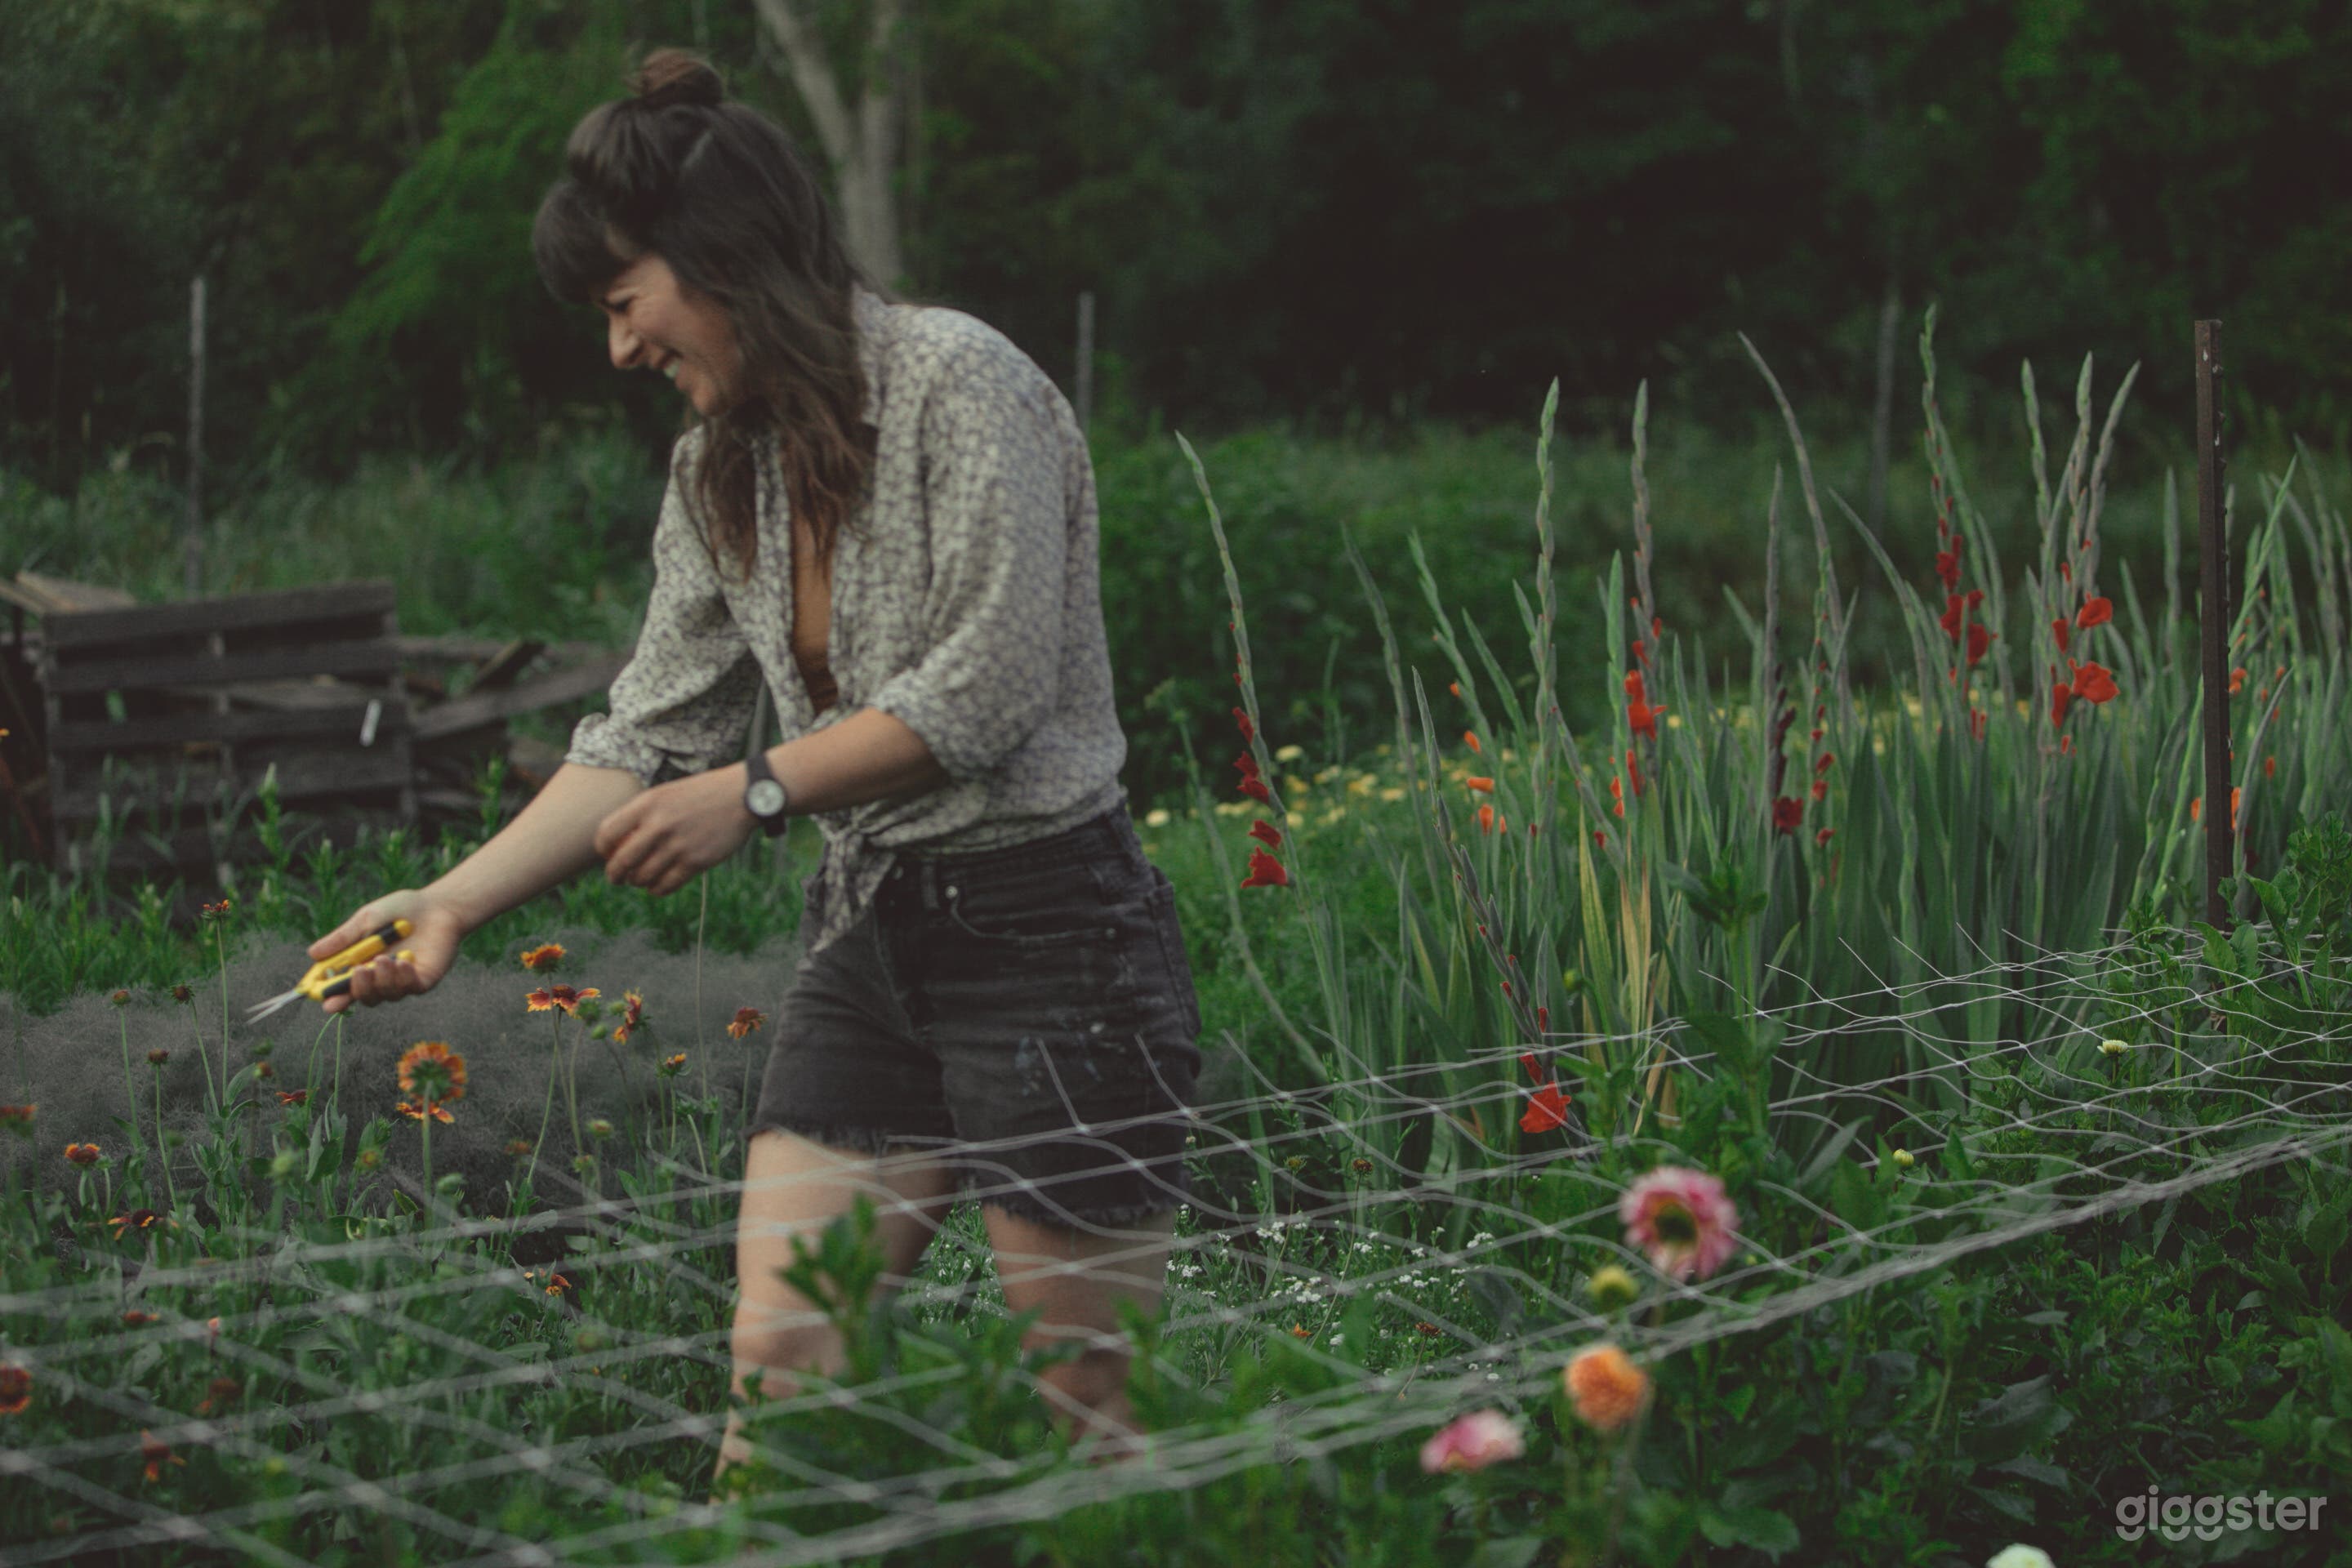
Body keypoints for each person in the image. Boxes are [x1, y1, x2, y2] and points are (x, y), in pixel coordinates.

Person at [301, 47, 1205, 1489]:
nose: (618, 350)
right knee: (782, 1369)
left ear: (720, 258)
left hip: (1052, 930)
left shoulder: (962, 384)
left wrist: (763, 791)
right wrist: (455, 902)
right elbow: (647, 732)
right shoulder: (719, 469)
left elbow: (985, 687)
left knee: (1084, 1405)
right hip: (872, 932)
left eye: (623, 303)